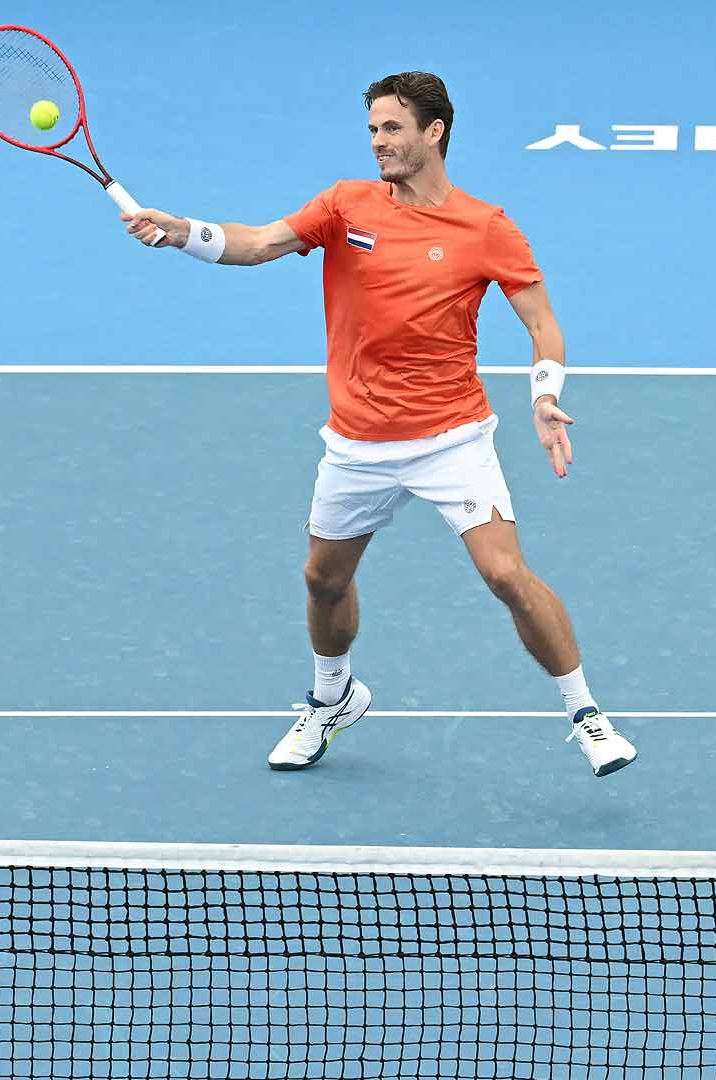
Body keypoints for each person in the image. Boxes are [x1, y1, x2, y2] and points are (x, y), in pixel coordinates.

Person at [120, 71, 636, 778]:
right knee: (323, 581)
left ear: (435, 132)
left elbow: (543, 325)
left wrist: (545, 394)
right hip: (357, 443)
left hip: (451, 439)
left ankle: (587, 715)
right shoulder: (345, 204)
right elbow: (258, 243)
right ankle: (332, 699)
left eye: (392, 128)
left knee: (506, 574)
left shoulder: (486, 228)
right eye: (372, 130)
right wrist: (184, 233)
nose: (378, 143)